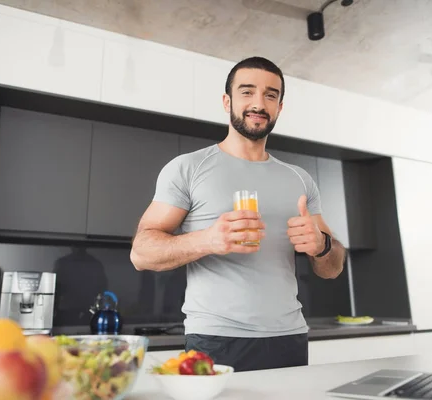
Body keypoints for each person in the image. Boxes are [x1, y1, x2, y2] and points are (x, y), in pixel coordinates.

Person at [130, 56, 347, 372]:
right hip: (216, 340)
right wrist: (208, 240)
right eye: (247, 92)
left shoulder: (300, 179)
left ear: (279, 107)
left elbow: (333, 268)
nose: (259, 103)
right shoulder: (188, 168)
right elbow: (141, 253)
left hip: (291, 338)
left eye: (270, 95)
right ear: (226, 101)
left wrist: (323, 246)